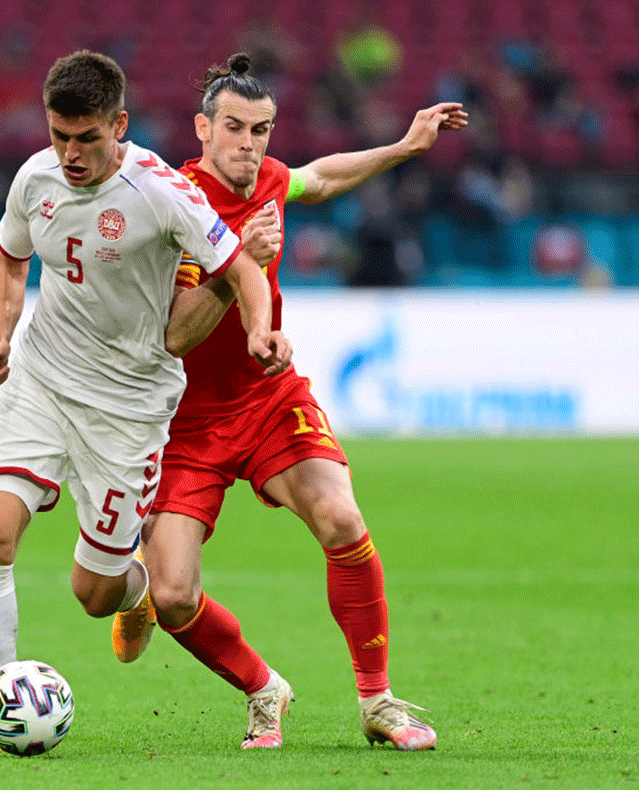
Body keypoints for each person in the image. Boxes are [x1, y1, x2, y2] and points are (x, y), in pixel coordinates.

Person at [110, 53, 466, 750]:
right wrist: (233, 257)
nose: (250, 145)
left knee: (340, 517)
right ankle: (262, 688)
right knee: (174, 594)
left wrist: (404, 145)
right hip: (183, 422)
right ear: (202, 130)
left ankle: (378, 701)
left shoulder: (270, 178)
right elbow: (173, 338)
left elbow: (321, 177)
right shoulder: (170, 205)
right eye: (235, 129)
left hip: (269, 396)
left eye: (262, 130)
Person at [0, 50, 291, 755]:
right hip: (42, 381)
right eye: (59, 136)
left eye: (87, 138)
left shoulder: (162, 192)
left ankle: (130, 586)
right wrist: (1, 337)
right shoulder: (34, 178)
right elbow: (10, 259)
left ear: (120, 125)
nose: (70, 154)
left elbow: (241, 268)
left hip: (129, 411)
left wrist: (262, 327)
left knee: (93, 593)